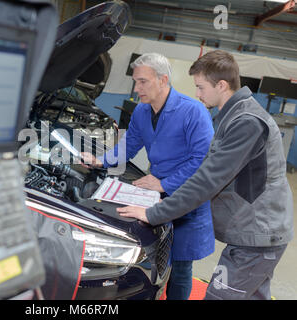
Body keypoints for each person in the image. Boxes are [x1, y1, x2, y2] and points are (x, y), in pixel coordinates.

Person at [117, 50, 294, 300]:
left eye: (200, 87)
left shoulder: (246, 122)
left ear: (221, 85)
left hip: (257, 238)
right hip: (258, 234)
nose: (197, 94)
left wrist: (152, 213)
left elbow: (207, 180)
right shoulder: (235, 115)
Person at [82, 53, 215, 300]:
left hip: (186, 197)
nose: (136, 88)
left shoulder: (193, 111)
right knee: (155, 260)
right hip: (154, 196)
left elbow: (203, 160)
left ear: (163, 80)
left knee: (181, 269)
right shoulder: (143, 112)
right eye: (136, 81)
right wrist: (102, 160)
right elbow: (129, 144)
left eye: (143, 81)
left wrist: (165, 183)